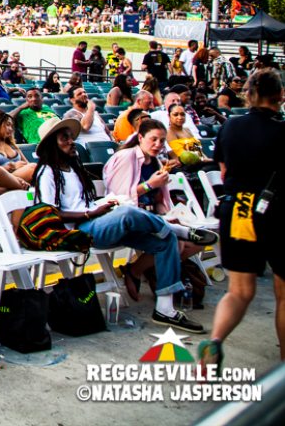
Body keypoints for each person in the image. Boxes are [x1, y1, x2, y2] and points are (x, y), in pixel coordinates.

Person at [32, 118, 204, 333]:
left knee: (165, 240)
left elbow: (85, 202)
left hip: (96, 222)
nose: (71, 141)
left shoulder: (73, 168)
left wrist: (102, 205)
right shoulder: (47, 172)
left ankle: (165, 309)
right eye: (64, 138)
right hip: (77, 231)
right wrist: (90, 213)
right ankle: (174, 228)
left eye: (71, 137)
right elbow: (49, 212)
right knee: (129, 212)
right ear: (52, 144)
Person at [199, 69, 285, 367]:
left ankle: (214, 343)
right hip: (277, 213)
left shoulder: (230, 127)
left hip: (238, 210)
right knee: (283, 294)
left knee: (238, 292)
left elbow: (224, 173)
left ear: (248, 94)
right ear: (280, 96)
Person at [102, 118, 216, 302]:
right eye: (153, 139)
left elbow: (159, 200)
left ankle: (151, 269)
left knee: (198, 240)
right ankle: (136, 271)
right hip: (130, 218)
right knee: (176, 243)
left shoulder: (155, 161)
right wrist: (149, 185)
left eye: (162, 140)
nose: (158, 144)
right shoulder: (126, 157)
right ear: (140, 137)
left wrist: (167, 215)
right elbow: (118, 198)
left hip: (153, 215)